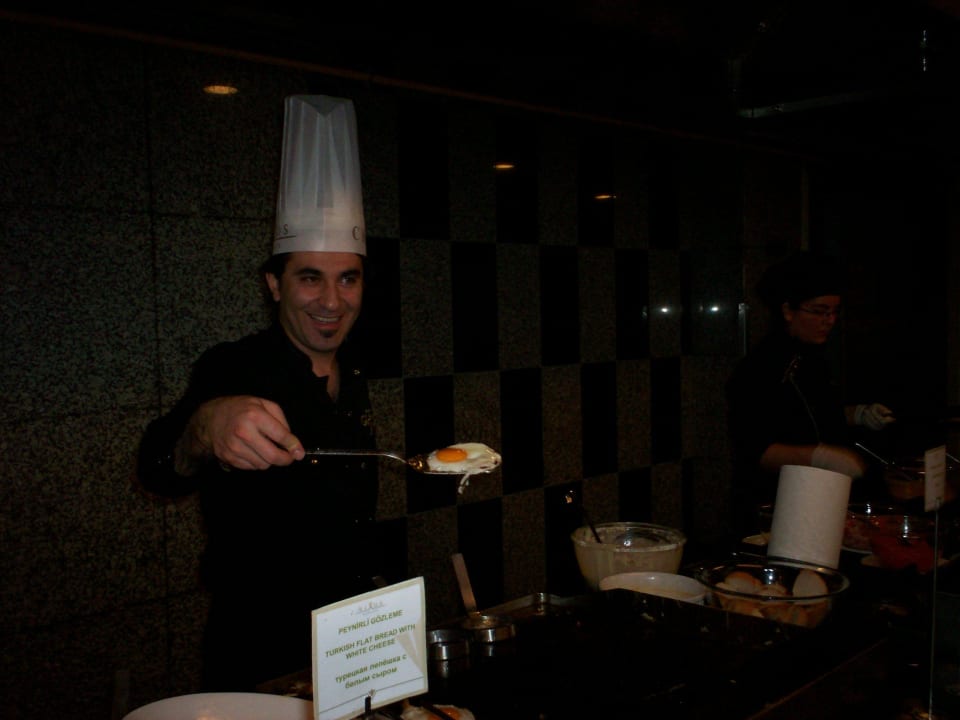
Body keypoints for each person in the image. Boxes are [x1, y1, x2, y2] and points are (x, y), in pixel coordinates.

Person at [137, 95, 382, 690]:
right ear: (274, 284)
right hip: (258, 646)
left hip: (350, 639)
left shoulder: (356, 375)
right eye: (310, 278)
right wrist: (204, 428)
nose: (332, 301)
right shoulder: (234, 367)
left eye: (347, 278)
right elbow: (157, 468)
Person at [726, 250, 896, 539]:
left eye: (834, 311)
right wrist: (820, 456)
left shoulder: (812, 357)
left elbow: (808, 413)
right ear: (788, 311)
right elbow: (755, 449)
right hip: (778, 505)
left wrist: (857, 415)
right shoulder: (759, 368)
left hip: (824, 498)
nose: (829, 320)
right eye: (819, 311)